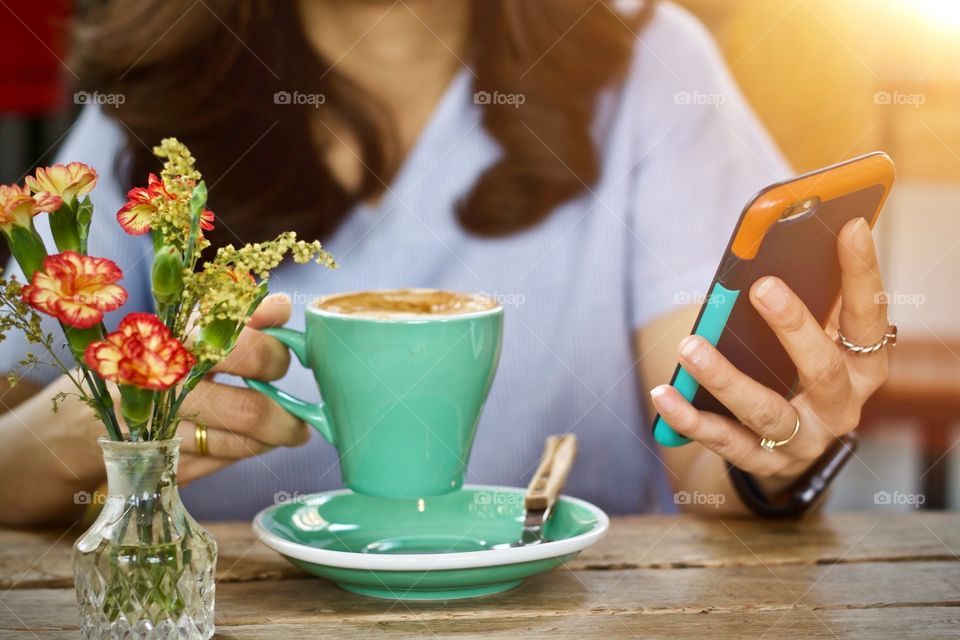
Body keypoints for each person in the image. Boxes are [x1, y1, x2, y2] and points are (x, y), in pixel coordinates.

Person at [0, 0, 891, 523]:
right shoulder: (155, 94)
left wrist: (774, 453)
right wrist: (61, 446)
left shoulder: (650, 64)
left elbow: (704, 454)